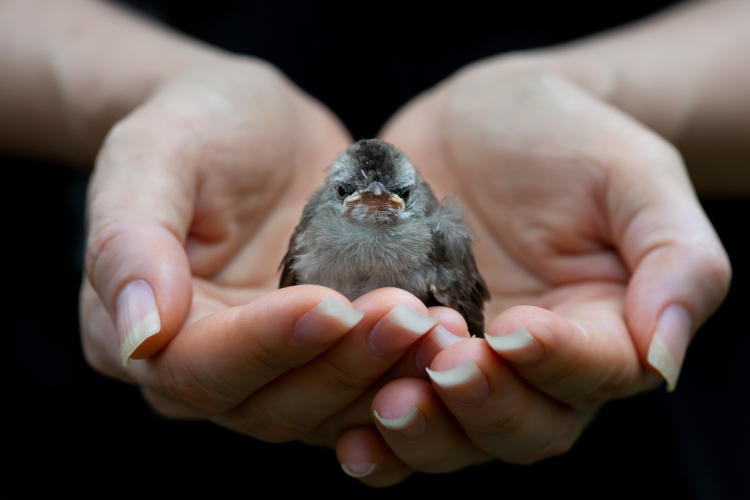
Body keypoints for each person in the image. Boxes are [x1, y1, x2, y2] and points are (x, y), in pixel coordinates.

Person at [0, 0, 743, 489]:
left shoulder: (437, 247)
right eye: (349, 196)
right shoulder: (310, 238)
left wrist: (608, 93)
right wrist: (161, 87)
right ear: (328, 199)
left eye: (397, 197)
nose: (374, 205)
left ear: (415, 198)